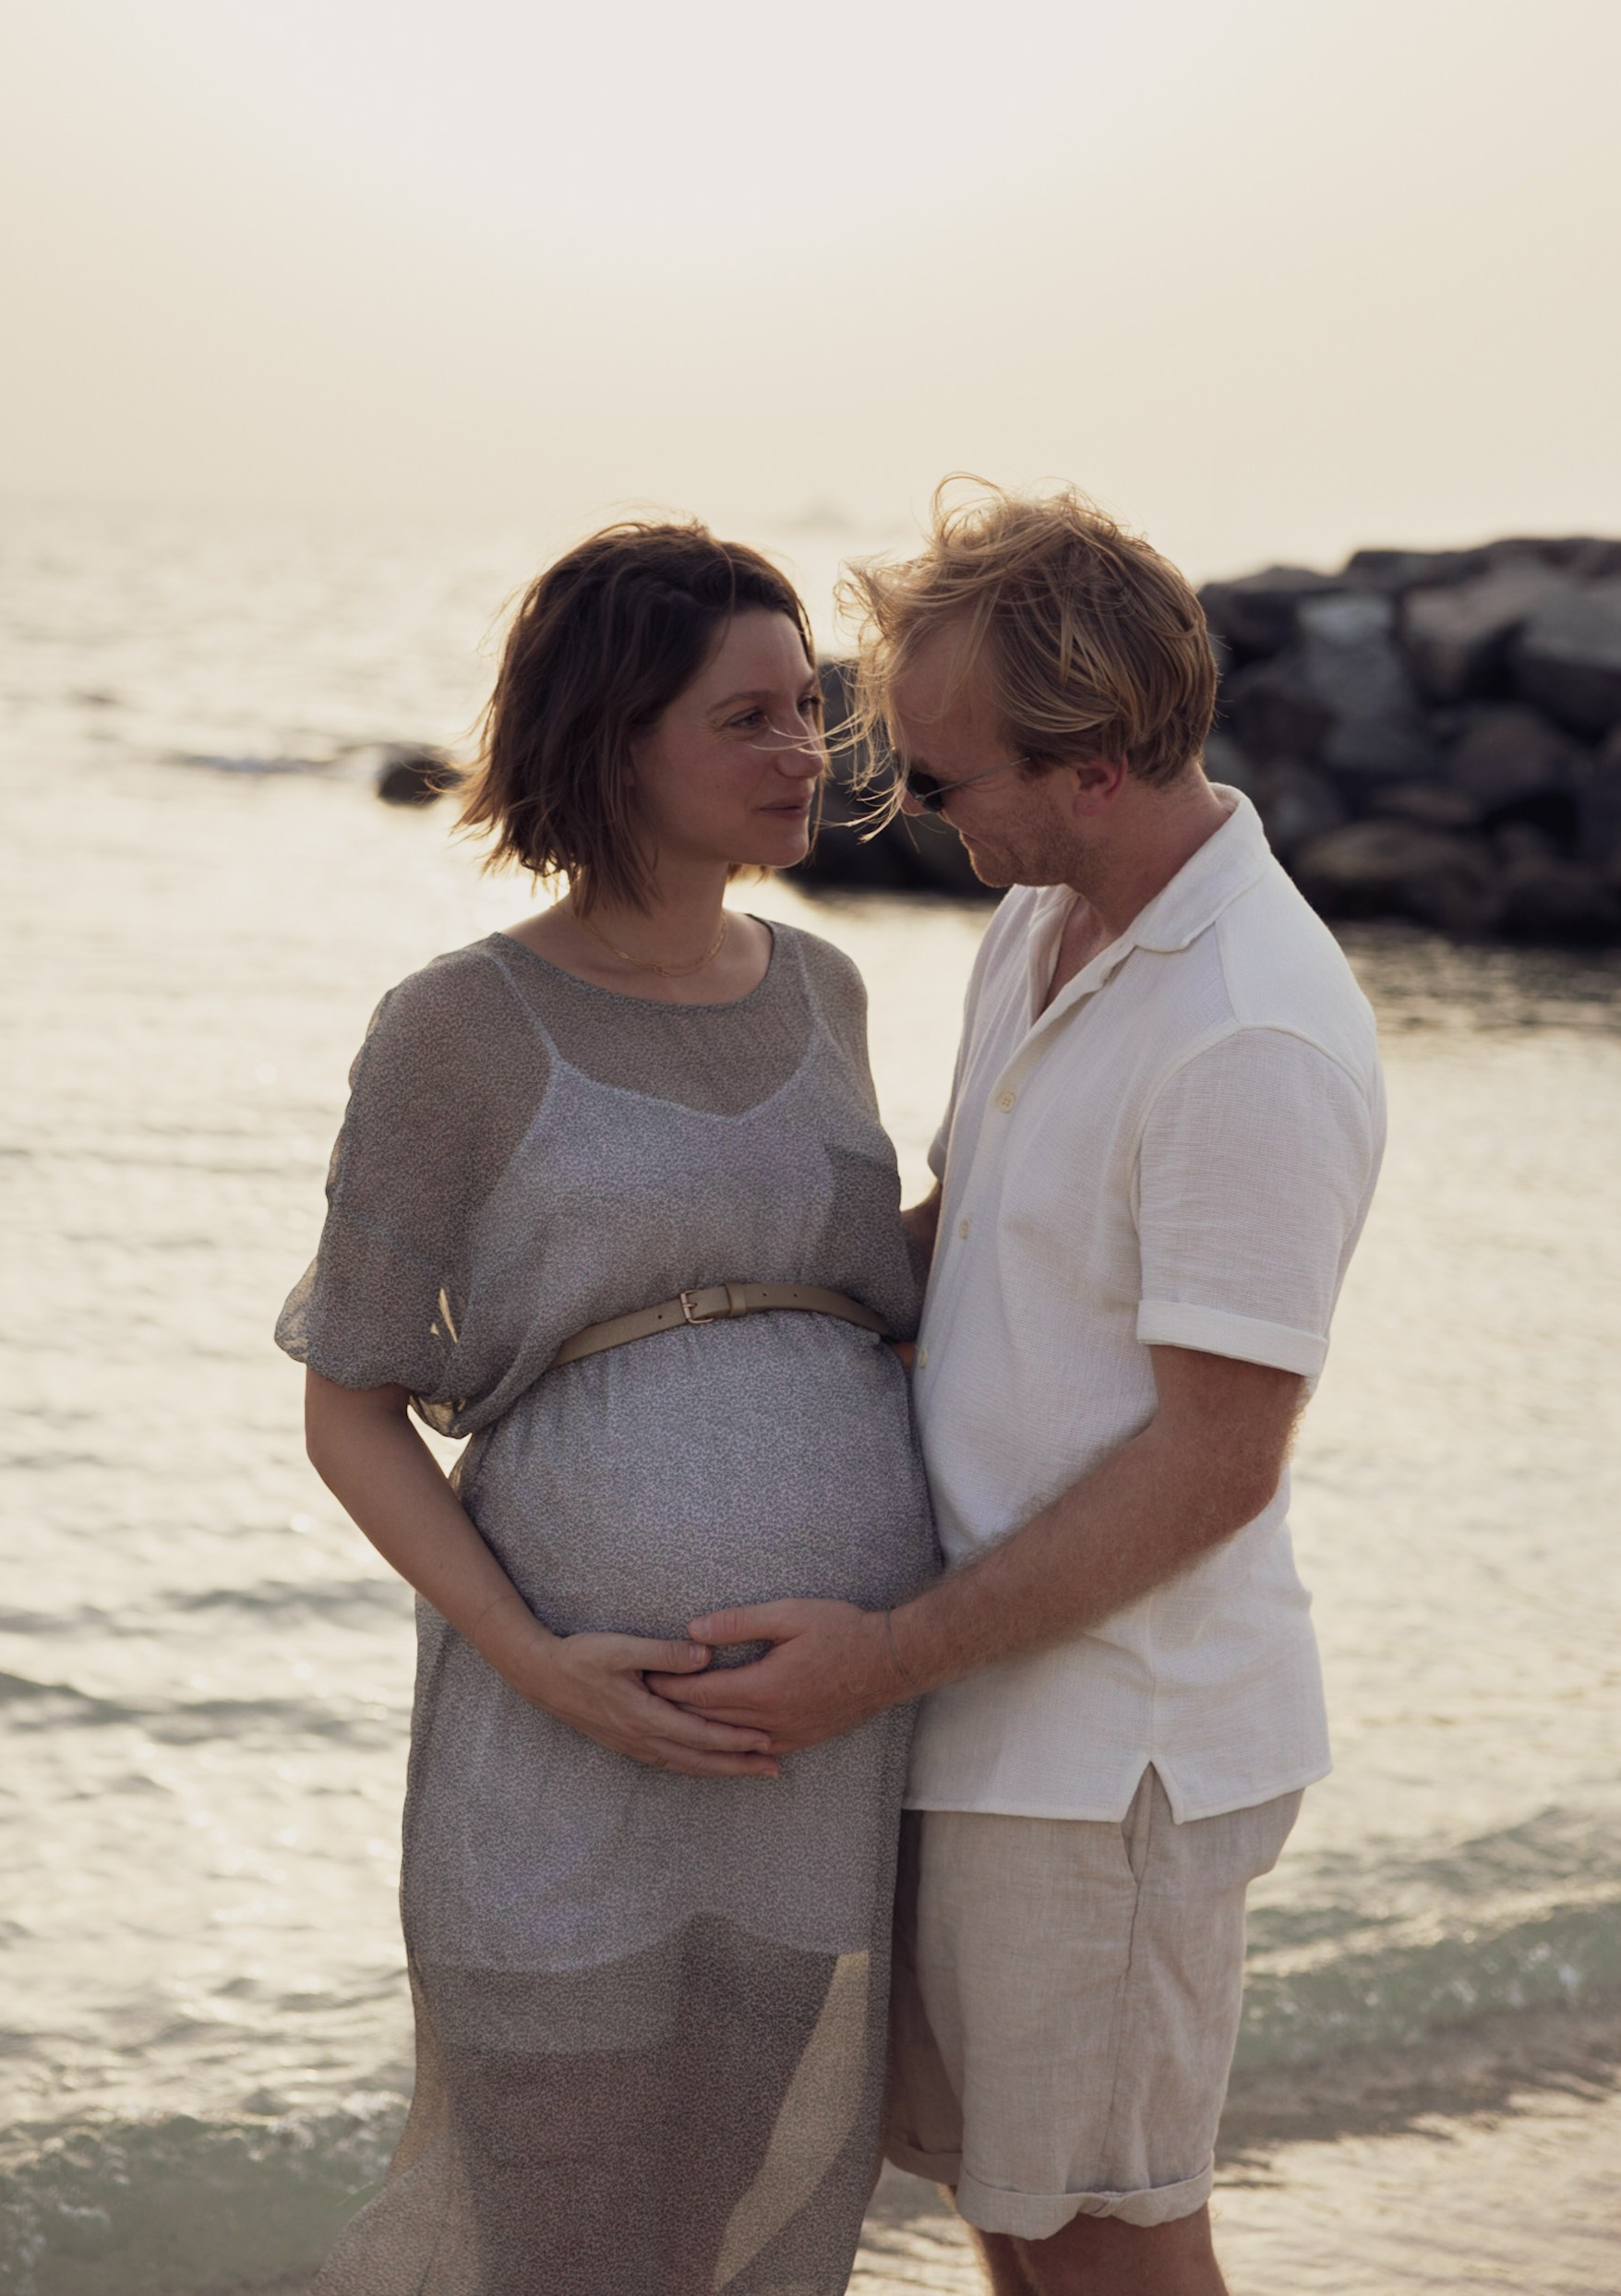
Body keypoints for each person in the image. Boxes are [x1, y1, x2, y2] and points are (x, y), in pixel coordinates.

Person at [654, 484, 1387, 2296]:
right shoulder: (1037, 929)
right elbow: (968, 1243)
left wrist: (880, 1659)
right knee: (1020, 2218)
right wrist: (660, 1311)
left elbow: (1214, 1462)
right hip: (994, 1720)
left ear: (1094, 771)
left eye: (947, 778)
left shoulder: (1246, 1030)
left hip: (1108, 1754)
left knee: (1105, 2247)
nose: (906, 810)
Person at [276, 522, 939, 2296]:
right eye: (749, 718)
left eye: (810, 708)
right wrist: (535, 1656)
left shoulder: (830, 991)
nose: (808, 750)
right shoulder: (455, 1029)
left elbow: (873, 1303)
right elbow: (352, 1409)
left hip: (811, 1745)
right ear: (612, 734)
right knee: (560, 2238)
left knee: (723, 2219)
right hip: (560, 1740)